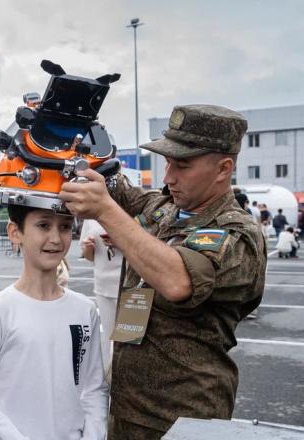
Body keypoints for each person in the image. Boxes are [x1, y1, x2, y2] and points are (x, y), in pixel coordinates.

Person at [59, 104, 267, 439]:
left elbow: (178, 281)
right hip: (126, 406)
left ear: (223, 168)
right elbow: (116, 187)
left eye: (182, 165)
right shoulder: (167, 209)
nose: (169, 176)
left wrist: (106, 211)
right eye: (168, 162)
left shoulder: (237, 234)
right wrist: (71, 135)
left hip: (182, 417)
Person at [0, 205, 108, 440]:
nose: (56, 238)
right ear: (15, 232)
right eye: (43, 225)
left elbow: (93, 388)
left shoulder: (85, 309)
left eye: (65, 227)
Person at [80, 219, 122, 373]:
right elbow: (89, 257)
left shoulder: (133, 208)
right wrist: (88, 248)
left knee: (128, 340)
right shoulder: (90, 216)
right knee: (109, 338)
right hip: (103, 284)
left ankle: (128, 381)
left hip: (131, 285)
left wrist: (122, 242)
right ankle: (109, 379)